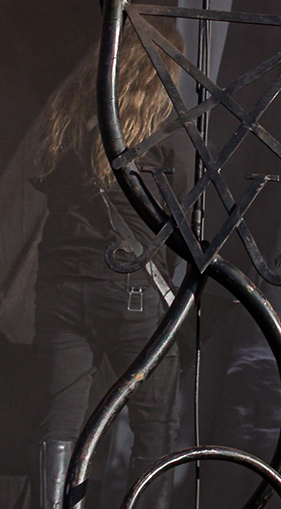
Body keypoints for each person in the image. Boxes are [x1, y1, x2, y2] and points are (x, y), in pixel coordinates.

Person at [31, 30, 186, 509]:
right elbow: (181, 214)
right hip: (129, 285)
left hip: (60, 286)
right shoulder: (157, 129)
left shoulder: (66, 117)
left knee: (60, 420)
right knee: (155, 422)